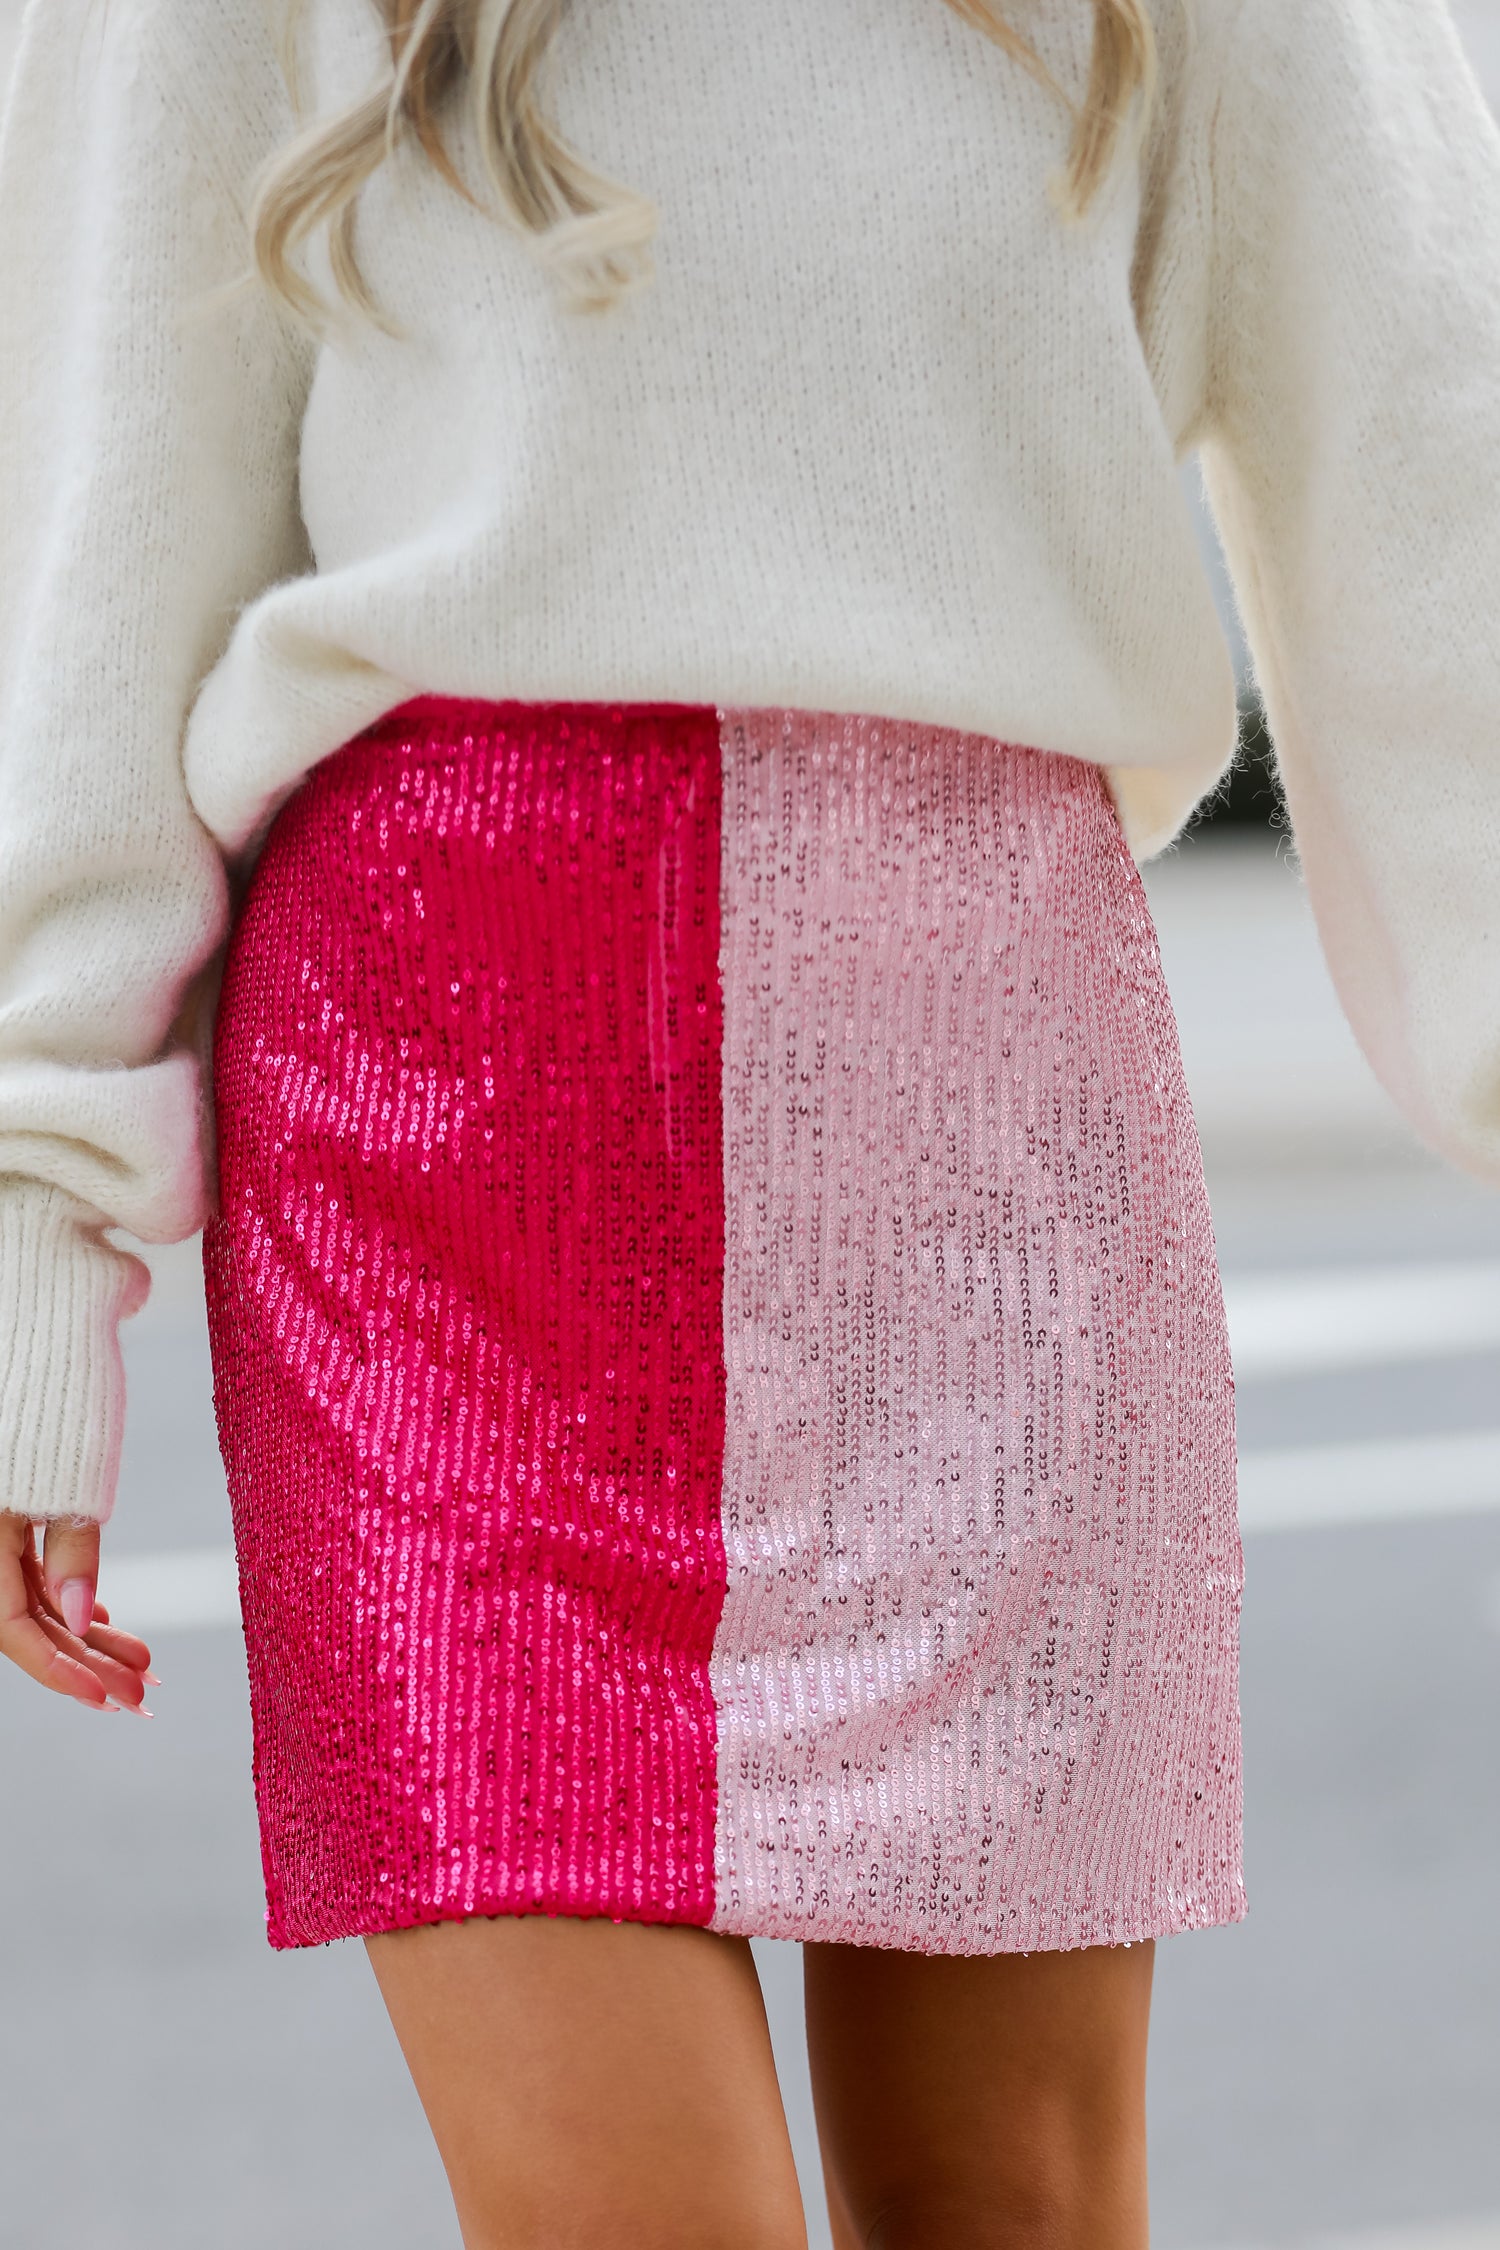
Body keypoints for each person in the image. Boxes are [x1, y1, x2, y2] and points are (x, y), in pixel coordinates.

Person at [1, 0, 1497, 2243]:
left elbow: (1427, 460)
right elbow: (95, 528)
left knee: (1010, 2207)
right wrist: (38, 1214)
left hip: (984, 1143)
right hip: (441, 1164)